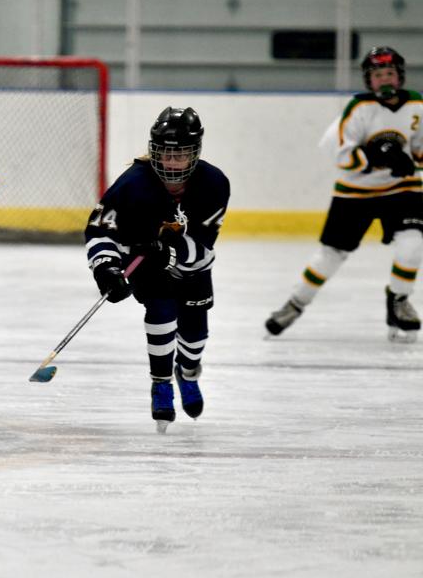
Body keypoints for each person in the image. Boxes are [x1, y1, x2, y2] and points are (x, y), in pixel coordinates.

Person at [84, 107, 230, 434]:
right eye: (165, 154)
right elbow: (100, 230)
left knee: (194, 335)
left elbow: (202, 248)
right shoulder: (132, 184)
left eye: (181, 155)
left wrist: (171, 250)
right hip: (144, 259)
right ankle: (161, 383)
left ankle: (188, 372)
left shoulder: (214, 184)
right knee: (162, 310)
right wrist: (106, 267)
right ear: (154, 151)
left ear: (196, 153)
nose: (172, 162)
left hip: (192, 269)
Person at [265, 46, 422, 342]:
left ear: (399, 76)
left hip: (402, 190)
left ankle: (399, 302)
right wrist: (379, 157)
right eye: (377, 75)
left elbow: (419, 150)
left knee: (412, 244)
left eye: (389, 73)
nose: (384, 80)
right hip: (356, 191)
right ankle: (295, 303)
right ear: (368, 80)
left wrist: (410, 160)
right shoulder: (357, 109)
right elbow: (342, 157)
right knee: (330, 256)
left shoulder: (416, 104)